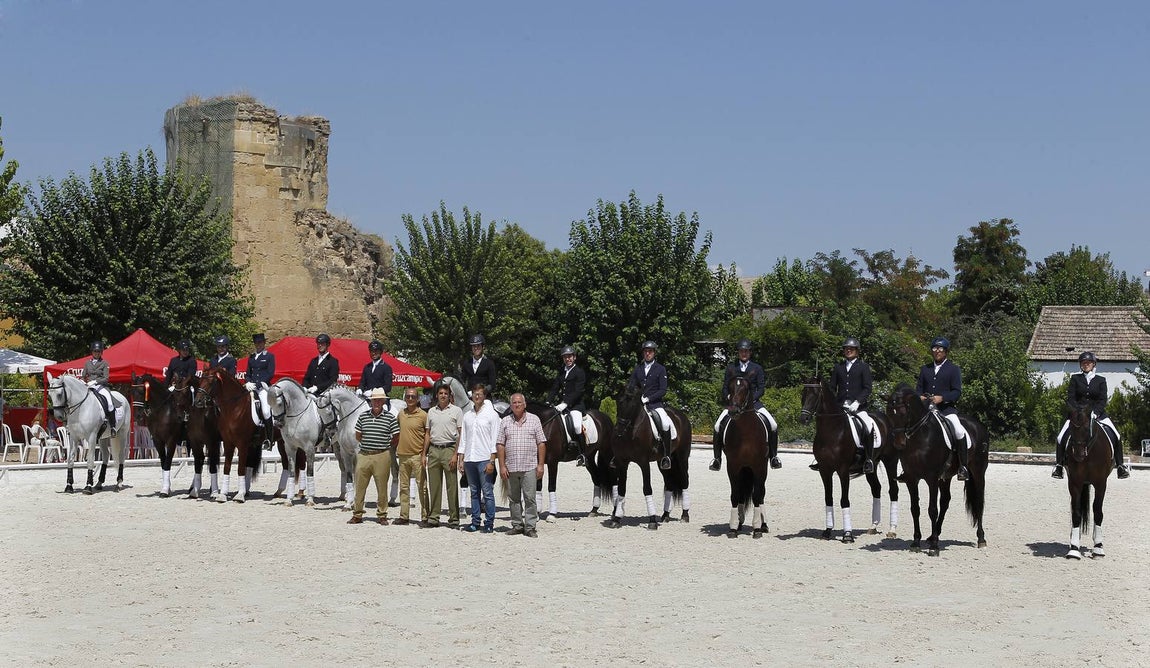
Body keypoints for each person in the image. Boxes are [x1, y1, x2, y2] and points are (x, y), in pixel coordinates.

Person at [1052, 351, 1130, 480]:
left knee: (1116, 435)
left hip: (1098, 415)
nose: (1085, 365)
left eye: (1088, 363)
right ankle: (1059, 466)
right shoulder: (1075, 379)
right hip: (1077, 416)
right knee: (1060, 437)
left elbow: (1102, 399)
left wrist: (1095, 412)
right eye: (1083, 363)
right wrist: (1077, 412)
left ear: (1093, 364)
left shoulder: (1101, 380)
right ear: (1080, 365)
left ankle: (1121, 466)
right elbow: (1071, 398)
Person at [711, 339, 781, 471]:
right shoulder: (731, 368)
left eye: (746, 351)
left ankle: (773, 457)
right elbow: (725, 387)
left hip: (753, 404)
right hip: (734, 404)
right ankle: (717, 459)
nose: (744, 353)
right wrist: (729, 398)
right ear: (738, 352)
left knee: (773, 424)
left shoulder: (757, 368)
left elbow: (761, 388)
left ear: (750, 352)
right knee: (717, 425)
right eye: (742, 351)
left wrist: (751, 400)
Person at [915, 337, 970, 481]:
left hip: (946, 410)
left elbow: (957, 391)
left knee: (958, 430)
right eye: (934, 349)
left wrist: (942, 398)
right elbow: (918, 389)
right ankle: (909, 467)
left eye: (940, 349)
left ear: (946, 351)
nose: (937, 351)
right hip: (927, 411)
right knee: (911, 430)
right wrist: (919, 397)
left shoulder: (953, 369)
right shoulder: (925, 369)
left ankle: (963, 467)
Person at [497, 393, 547, 537]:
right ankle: (517, 525)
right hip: (511, 467)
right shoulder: (505, 421)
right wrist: (501, 466)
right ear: (511, 405)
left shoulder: (534, 419)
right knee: (513, 499)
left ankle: (530, 527)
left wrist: (541, 465)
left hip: (529, 466)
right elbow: (500, 444)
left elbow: (541, 443)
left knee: (530, 498)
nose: (517, 405)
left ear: (524, 404)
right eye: (514, 402)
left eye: (519, 402)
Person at [348, 388, 400, 525]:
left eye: (379, 400)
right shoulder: (363, 416)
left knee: (382, 487)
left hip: (382, 454)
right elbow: (358, 435)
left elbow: (396, 436)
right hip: (364, 454)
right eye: (374, 400)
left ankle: (382, 514)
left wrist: (385, 445)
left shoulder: (390, 417)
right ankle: (357, 513)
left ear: (383, 401)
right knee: (359, 486)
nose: (376, 402)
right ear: (371, 402)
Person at [827, 337, 880, 473]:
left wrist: (857, 402)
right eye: (846, 348)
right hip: (840, 408)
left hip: (858, 408)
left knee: (868, 426)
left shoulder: (863, 367)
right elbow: (832, 387)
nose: (848, 350)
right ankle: (823, 458)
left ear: (857, 351)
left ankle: (868, 459)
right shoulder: (838, 367)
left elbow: (867, 388)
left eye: (851, 349)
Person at [458, 383, 500, 533]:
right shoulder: (467, 416)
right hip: (469, 458)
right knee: (474, 492)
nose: (477, 396)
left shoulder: (492, 415)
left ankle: (489, 522)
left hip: (484, 458)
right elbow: (463, 438)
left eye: (480, 394)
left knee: (487, 492)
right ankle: (475, 521)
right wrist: (461, 458)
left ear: (484, 396)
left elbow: (495, 439)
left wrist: (491, 460)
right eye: (475, 393)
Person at [628, 340, 675, 470]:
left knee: (665, 424)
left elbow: (662, 390)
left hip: (655, 404)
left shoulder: (660, 369)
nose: (648, 353)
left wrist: (648, 398)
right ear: (643, 353)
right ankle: (620, 452)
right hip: (639, 404)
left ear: (654, 353)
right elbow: (631, 385)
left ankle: (666, 456)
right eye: (646, 351)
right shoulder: (638, 369)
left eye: (650, 351)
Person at [423, 385, 463, 528]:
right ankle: (433, 517)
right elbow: (427, 433)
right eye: (440, 393)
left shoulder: (456, 411)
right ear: (437, 395)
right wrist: (424, 454)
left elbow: (459, 434)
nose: (443, 395)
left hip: (449, 448)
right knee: (434, 485)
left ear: (449, 395)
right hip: (434, 449)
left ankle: (454, 518)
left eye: (446, 393)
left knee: (451, 486)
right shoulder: (431, 412)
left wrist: (455, 455)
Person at [548, 345, 589, 466]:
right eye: (565, 357)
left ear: (574, 357)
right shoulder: (562, 372)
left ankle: (583, 454)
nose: (567, 359)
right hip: (562, 405)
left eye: (569, 356)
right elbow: (555, 388)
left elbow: (578, 391)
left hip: (575, 405)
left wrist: (566, 403)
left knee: (576, 425)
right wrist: (548, 401)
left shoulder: (579, 372)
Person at [395, 387, 430, 526]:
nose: (410, 399)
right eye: (408, 397)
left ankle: (425, 516)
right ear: (405, 398)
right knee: (403, 487)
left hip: (417, 455)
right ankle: (404, 516)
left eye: (413, 397)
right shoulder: (401, 414)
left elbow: (428, 435)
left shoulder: (423, 415)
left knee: (422, 487)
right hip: (403, 455)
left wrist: (424, 454)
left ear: (418, 399)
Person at [244, 333, 276, 444]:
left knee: (266, 412)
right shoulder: (251, 357)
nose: (258, 345)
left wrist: (258, 384)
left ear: (264, 343)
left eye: (260, 343)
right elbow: (248, 373)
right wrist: (247, 382)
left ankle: (269, 438)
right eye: (256, 343)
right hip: (251, 387)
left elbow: (270, 374)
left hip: (263, 387)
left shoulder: (269, 356)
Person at [82, 341, 117, 435]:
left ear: (101, 352)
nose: (96, 353)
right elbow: (83, 375)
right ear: (92, 352)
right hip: (89, 386)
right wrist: (83, 382)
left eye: (98, 351)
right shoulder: (87, 363)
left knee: (109, 403)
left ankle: (113, 426)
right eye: (95, 351)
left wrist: (96, 381)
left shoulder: (104, 363)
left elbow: (106, 378)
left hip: (101, 386)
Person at [358, 340, 393, 409]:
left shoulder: (386, 367)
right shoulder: (367, 367)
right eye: (371, 351)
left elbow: (388, 387)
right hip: (367, 398)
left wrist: (373, 392)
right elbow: (362, 382)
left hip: (381, 399)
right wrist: (360, 389)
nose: (373, 353)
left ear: (380, 352)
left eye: (376, 351)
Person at [460, 334, 496, 398]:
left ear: (483, 347)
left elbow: (492, 385)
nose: (476, 348)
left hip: (485, 398)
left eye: (478, 346)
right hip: (470, 397)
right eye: (474, 346)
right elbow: (462, 381)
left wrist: (482, 392)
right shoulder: (467, 363)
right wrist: (466, 392)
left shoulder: (489, 363)